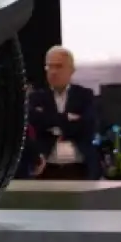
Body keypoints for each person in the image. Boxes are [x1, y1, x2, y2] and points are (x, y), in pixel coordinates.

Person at [27, 46, 99, 180]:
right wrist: (67, 119)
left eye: (59, 66)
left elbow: (88, 127)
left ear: (71, 70)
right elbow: (35, 124)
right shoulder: (36, 98)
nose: (53, 72)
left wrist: (51, 124)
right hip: (46, 169)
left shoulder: (85, 95)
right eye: (50, 67)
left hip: (79, 168)